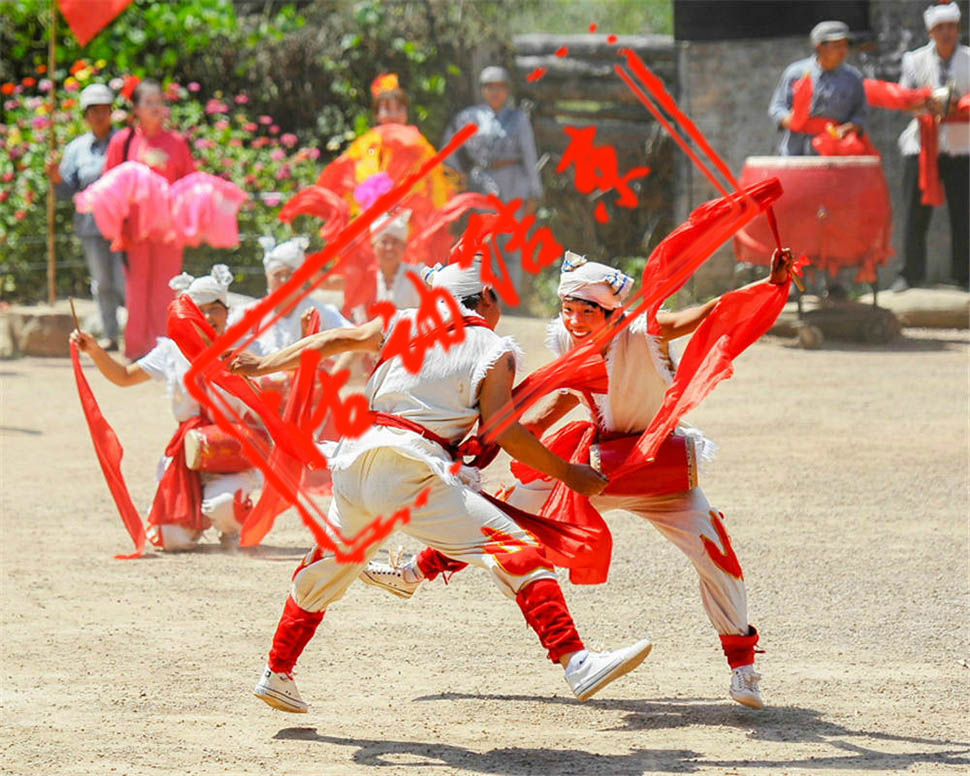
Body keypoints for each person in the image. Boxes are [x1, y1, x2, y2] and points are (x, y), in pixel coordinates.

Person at [364, 251, 796, 710]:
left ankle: (743, 669)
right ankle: (413, 572)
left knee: (716, 553)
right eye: (568, 310)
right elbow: (562, 401)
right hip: (598, 466)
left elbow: (705, 312)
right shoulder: (572, 344)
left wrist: (766, 286)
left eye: (586, 311)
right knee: (509, 514)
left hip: (660, 468)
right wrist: (500, 437)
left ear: (612, 311)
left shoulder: (645, 332)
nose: (574, 320)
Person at [229, 259, 653, 713]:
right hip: (413, 471)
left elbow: (333, 339)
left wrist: (260, 365)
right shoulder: (492, 347)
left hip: (355, 464)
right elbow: (506, 432)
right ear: (485, 299)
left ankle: (277, 671)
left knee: (328, 567)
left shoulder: (403, 322)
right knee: (518, 551)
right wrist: (570, 473)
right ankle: (577, 662)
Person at [70, 265, 262, 551]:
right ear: (188, 315)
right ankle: (196, 518)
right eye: (200, 310)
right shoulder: (172, 352)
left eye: (215, 309)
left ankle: (230, 525)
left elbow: (275, 391)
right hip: (189, 449)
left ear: (227, 311)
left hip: (231, 447)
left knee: (226, 508)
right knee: (173, 540)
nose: (208, 317)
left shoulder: (247, 349)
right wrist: (96, 351)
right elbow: (123, 378)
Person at [105, 79, 196, 361]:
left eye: (160, 102)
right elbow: (111, 183)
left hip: (168, 230)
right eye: (149, 102)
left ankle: (164, 350)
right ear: (136, 108)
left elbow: (190, 184)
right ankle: (136, 350)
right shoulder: (124, 141)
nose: (156, 107)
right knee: (136, 288)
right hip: (135, 229)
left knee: (166, 289)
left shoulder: (176, 143)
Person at [441, 66, 544, 292]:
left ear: (507, 90)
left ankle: (511, 296)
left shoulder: (519, 118)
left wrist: (534, 192)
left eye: (500, 87)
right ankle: (485, 296)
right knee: (483, 242)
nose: (495, 92)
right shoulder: (469, 117)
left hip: (514, 183)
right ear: (482, 90)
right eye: (489, 87)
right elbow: (449, 151)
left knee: (511, 241)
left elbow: (529, 155)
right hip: (481, 185)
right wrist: (459, 178)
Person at [892, 1, 969, 291]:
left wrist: (958, 105)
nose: (947, 33)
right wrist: (928, 103)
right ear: (931, 32)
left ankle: (965, 275)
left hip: (961, 145)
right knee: (915, 212)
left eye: (951, 27)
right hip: (921, 143)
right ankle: (909, 274)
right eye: (941, 28)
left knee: (963, 212)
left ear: (958, 28)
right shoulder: (914, 60)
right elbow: (905, 96)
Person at [47, 83, 125, 351]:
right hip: (92, 227)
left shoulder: (124, 142)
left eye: (104, 110)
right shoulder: (76, 149)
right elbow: (67, 191)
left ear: (111, 111)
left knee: (126, 282)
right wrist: (56, 177)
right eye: (93, 111)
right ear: (85, 115)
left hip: (124, 226)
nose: (99, 116)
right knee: (103, 282)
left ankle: (139, 336)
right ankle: (111, 335)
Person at [231, 236, 351, 354]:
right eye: (277, 274)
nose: (284, 280)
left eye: (290, 274)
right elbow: (223, 337)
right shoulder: (251, 312)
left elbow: (353, 337)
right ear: (268, 277)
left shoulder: (318, 311)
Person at [768, 21, 868, 156]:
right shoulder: (796, 73)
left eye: (846, 45)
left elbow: (860, 114)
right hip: (796, 150)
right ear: (820, 46)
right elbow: (777, 107)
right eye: (837, 45)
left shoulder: (853, 78)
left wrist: (848, 128)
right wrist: (791, 121)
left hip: (835, 151)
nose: (843, 50)